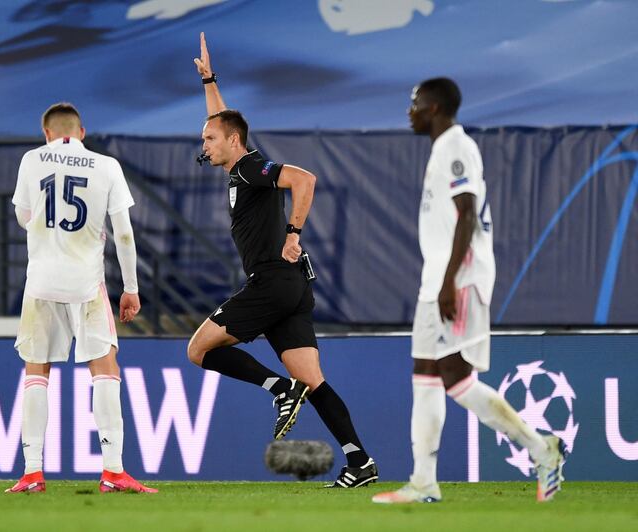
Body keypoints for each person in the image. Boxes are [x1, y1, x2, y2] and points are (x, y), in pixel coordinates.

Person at [187, 33, 378, 488]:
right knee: (315, 382)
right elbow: (221, 119)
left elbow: (305, 179)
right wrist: (210, 80)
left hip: (272, 282)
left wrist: (293, 233)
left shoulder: (251, 167)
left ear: (234, 141)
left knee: (197, 350)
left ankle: (278, 389)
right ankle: (361, 463)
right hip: (293, 289)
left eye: (210, 138)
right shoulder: (239, 162)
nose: (204, 144)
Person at [372, 78, 567, 504]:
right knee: (425, 377)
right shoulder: (441, 150)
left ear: (436, 107)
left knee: (455, 379)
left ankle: (541, 448)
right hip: (437, 279)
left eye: (415, 103)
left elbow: (466, 216)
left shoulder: (458, 147)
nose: (410, 110)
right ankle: (423, 482)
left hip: (457, 279)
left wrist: (448, 282)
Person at [6, 102, 157, 494]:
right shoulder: (106, 166)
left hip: (40, 282)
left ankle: (32, 472)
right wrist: (131, 288)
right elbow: (123, 234)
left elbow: (23, 216)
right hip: (86, 285)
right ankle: (113, 470)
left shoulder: (30, 160)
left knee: (36, 372)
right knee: (105, 371)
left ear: (46, 134)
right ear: (83, 132)